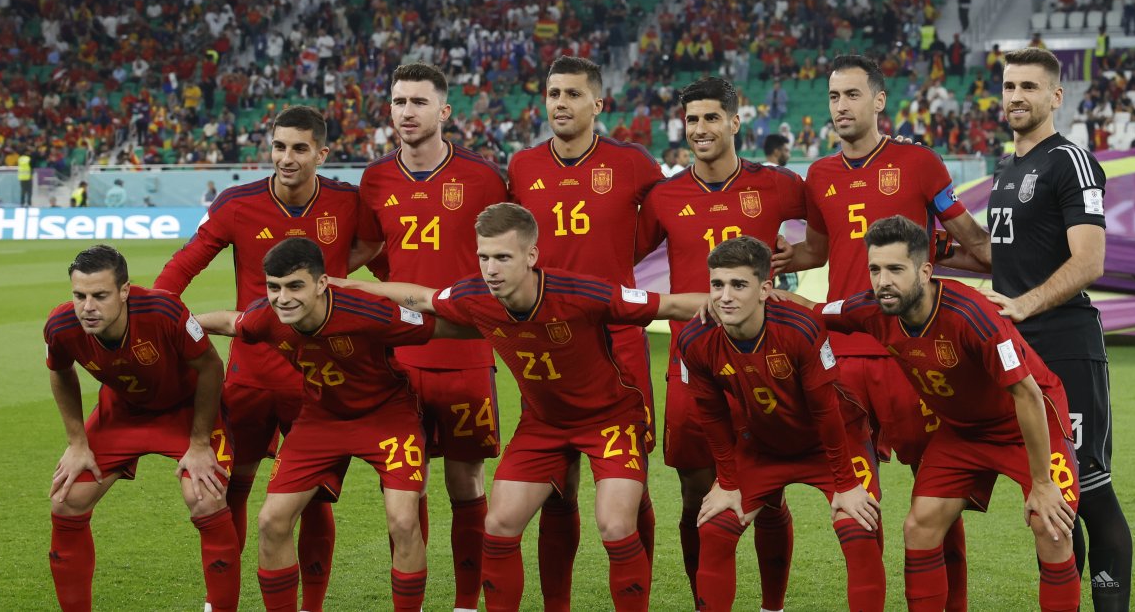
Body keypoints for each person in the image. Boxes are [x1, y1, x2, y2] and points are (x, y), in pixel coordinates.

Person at [332, 202, 711, 612]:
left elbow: (669, 306)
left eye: (502, 257)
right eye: (484, 257)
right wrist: (346, 286)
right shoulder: (474, 296)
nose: (491, 269)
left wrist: (751, 304)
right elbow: (419, 297)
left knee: (616, 524)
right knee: (498, 525)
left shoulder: (582, 293)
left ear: (531, 256)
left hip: (610, 420)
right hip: (542, 425)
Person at [775, 54, 993, 611]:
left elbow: (969, 236)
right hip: (843, 356)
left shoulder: (919, 162)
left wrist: (1019, 265)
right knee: (857, 506)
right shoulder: (818, 175)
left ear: (878, 101)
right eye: (832, 97)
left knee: (937, 496)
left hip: (913, 355)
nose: (840, 107)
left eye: (851, 95)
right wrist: (774, 262)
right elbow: (820, 250)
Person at [155, 105, 377, 611]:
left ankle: (312, 606)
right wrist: (155, 313)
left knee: (315, 497)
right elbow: (185, 263)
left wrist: (335, 275)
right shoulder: (238, 203)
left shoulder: (346, 201)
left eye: (300, 148)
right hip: (250, 373)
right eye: (279, 146)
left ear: (322, 153)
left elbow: (373, 244)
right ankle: (222, 603)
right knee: (231, 485)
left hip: (317, 379)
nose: (287, 158)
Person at [806, 215, 1081, 612]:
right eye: (875, 269)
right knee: (919, 527)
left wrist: (1041, 483)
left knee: (1050, 527)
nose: (883, 281)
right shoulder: (870, 308)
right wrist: (755, 301)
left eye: (896, 269)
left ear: (925, 270)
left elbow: (1028, 394)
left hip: (1028, 425)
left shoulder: (972, 314)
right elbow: (813, 310)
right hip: (963, 434)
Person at [197, 237, 464, 612]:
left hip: (387, 417)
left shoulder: (369, 313)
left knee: (403, 521)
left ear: (322, 284)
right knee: (272, 521)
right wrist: (178, 324)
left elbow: (441, 328)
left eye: (295, 286)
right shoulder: (268, 317)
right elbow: (230, 321)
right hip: (320, 421)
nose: (282, 298)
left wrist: (506, 323)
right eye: (274, 287)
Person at [635, 76, 808, 611]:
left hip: (764, 363)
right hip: (693, 363)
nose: (701, 129)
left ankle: (771, 606)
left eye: (712, 117)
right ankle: (704, 603)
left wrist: (793, 262)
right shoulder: (664, 196)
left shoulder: (778, 185)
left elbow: (830, 238)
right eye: (692, 120)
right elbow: (619, 256)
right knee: (695, 494)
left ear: (737, 121)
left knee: (769, 491)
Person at [506, 55, 664, 611]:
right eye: (553, 94)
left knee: (630, 486)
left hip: (615, 341)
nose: (561, 104)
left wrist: (619, 268)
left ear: (599, 104)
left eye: (573, 94)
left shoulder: (634, 163)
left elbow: (668, 223)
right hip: (545, 345)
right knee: (558, 485)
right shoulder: (522, 166)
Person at [355, 62, 509, 612]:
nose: (407, 112)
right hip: (397, 358)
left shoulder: (485, 177)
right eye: (399, 102)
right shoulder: (374, 179)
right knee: (405, 487)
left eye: (419, 102)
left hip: (466, 352)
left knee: (465, 484)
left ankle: (466, 603)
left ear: (444, 111)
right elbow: (370, 254)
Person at [985, 47, 1132, 612]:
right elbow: (1010, 256)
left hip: (1067, 347)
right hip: (1022, 353)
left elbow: (1090, 259)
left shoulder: (1070, 160)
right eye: (1009, 86)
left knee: (1089, 489)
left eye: (1028, 86)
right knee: (1052, 499)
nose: (1016, 96)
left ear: (1055, 96)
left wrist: (1024, 304)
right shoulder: (1009, 169)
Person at [681, 236, 885, 612]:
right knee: (715, 528)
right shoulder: (694, 339)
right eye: (717, 284)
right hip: (762, 446)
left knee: (859, 527)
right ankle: (771, 609)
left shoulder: (799, 328)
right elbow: (711, 415)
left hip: (833, 441)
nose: (724, 296)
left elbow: (826, 410)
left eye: (738, 285)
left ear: (764, 289)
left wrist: (845, 484)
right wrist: (727, 483)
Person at [44, 245, 239, 611]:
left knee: (205, 497)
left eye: (100, 295)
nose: (88, 307)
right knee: (66, 500)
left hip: (185, 412)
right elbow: (59, 370)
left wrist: (199, 443)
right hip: (122, 414)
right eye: (79, 295)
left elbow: (211, 368)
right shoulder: (61, 325)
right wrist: (76, 442)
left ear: (124, 291)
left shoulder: (164, 310)